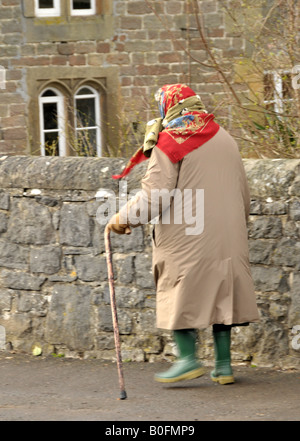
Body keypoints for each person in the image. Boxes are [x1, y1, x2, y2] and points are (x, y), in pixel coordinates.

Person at [107, 84, 259, 385]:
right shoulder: (224, 136)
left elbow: (155, 197)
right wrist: (237, 227)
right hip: (229, 234)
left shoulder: (171, 141)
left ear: (169, 108)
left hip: (189, 234)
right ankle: (224, 366)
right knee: (222, 292)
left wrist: (123, 217)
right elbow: (244, 191)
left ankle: (188, 360)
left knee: (178, 287)